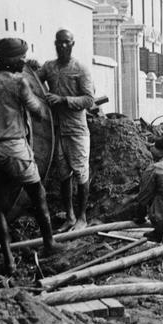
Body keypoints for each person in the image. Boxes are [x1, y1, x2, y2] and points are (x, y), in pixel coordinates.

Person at [0, 37, 59, 274]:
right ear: (9, 60)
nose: (23, 61)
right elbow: (38, 111)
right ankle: (50, 243)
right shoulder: (19, 83)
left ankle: (9, 260)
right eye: (20, 58)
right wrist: (45, 103)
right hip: (13, 147)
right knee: (38, 194)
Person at [35, 29, 95, 231]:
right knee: (63, 174)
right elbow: (34, 80)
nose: (62, 46)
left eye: (66, 43)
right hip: (56, 130)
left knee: (81, 173)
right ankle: (69, 216)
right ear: (55, 44)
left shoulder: (81, 69)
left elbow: (89, 99)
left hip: (77, 129)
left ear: (72, 44)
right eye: (59, 43)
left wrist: (63, 100)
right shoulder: (49, 67)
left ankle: (82, 217)